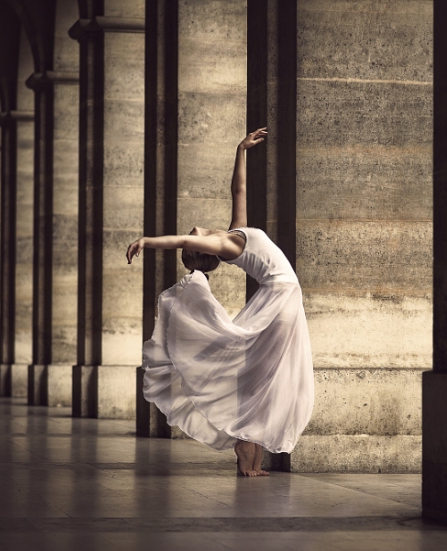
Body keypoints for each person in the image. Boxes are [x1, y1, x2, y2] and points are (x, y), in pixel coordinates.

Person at [126, 128, 314, 477]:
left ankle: (249, 446)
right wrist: (147, 241)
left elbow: (238, 190)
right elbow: (182, 237)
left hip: (282, 297)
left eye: (189, 242)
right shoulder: (227, 247)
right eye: (190, 245)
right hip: (280, 295)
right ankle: (246, 445)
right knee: (260, 373)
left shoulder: (234, 233)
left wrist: (240, 149)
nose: (191, 234)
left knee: (261, 373)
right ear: (203, 250)